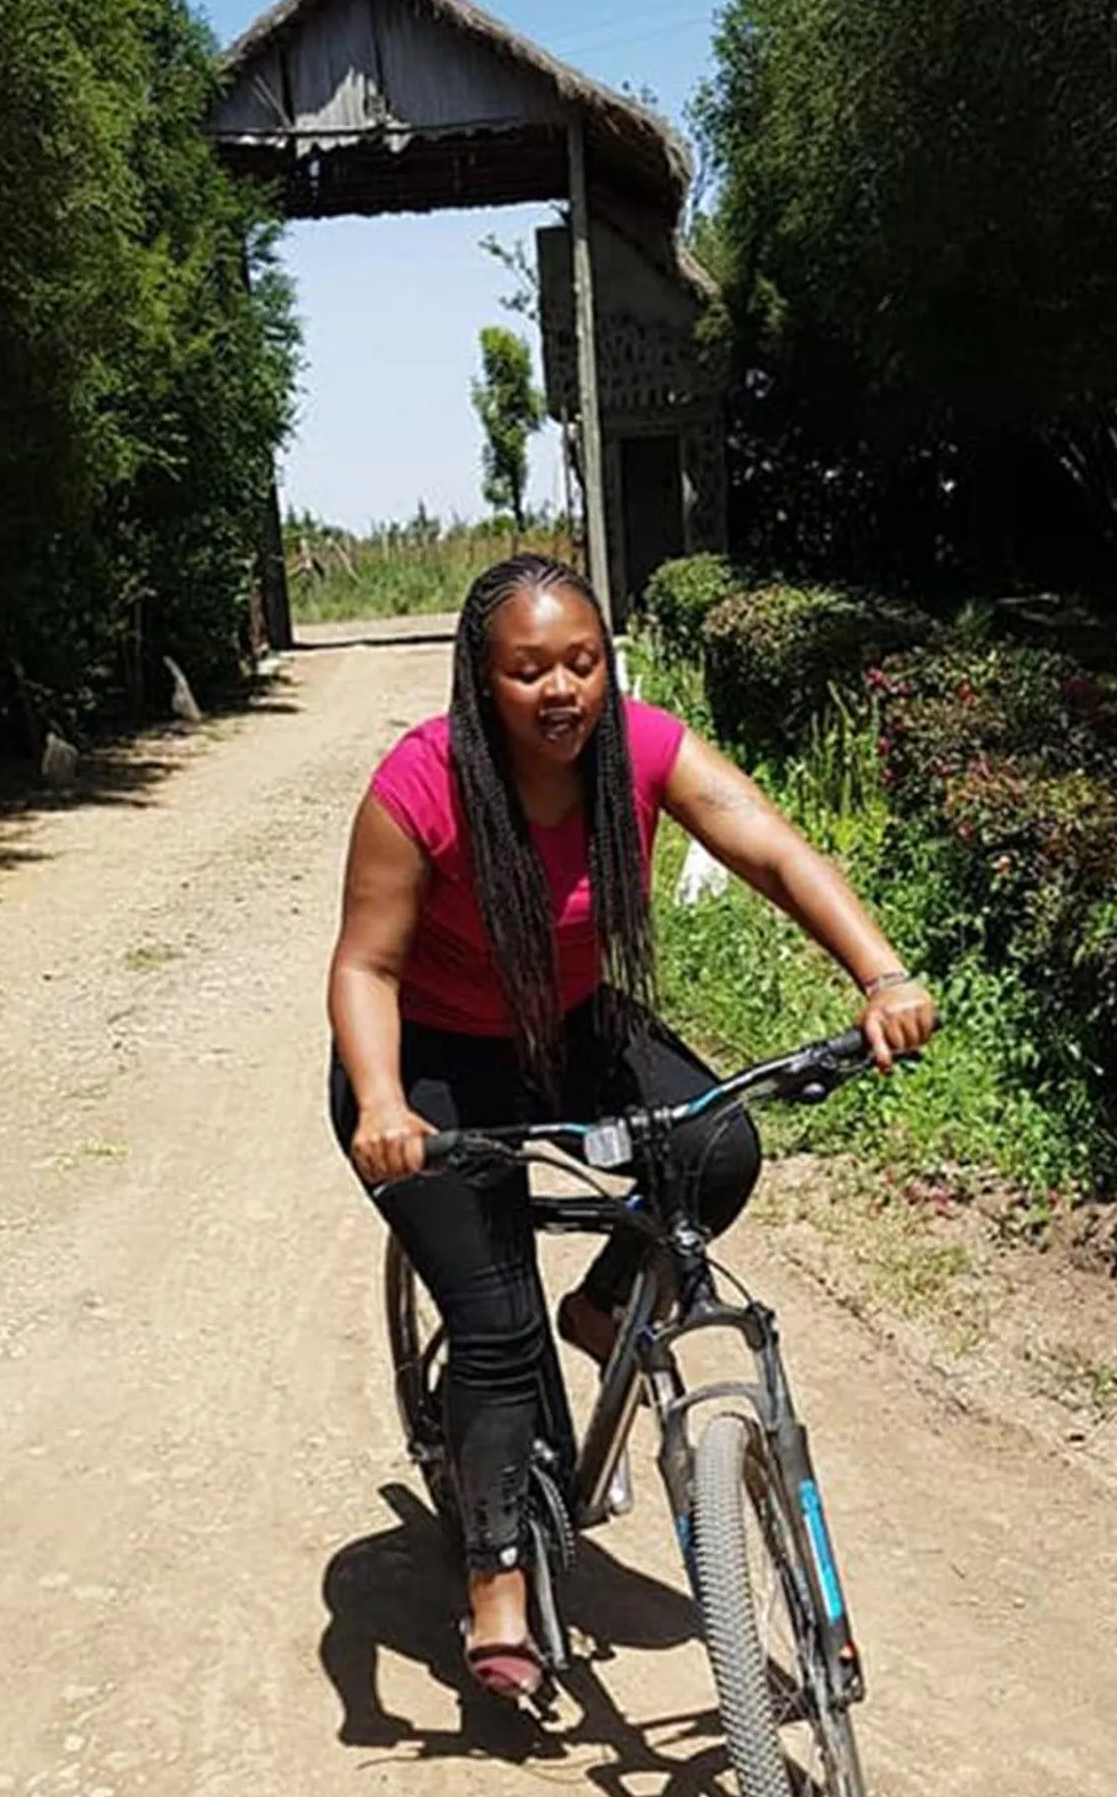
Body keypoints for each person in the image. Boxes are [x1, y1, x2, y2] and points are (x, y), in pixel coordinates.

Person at [328, 551, 936, 1699]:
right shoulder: (420, 786)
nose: (560, 689)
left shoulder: (642, 750)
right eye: (527, 670)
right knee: (497, 1328)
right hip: (430, 1061)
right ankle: (496, 1572)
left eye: (582, 662)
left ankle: (606, 1300)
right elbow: (364, 964)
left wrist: (880, 972)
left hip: (567, 1026)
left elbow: (766, 841)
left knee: (715, 1145)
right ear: (480, 679)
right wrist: (381, 1101)